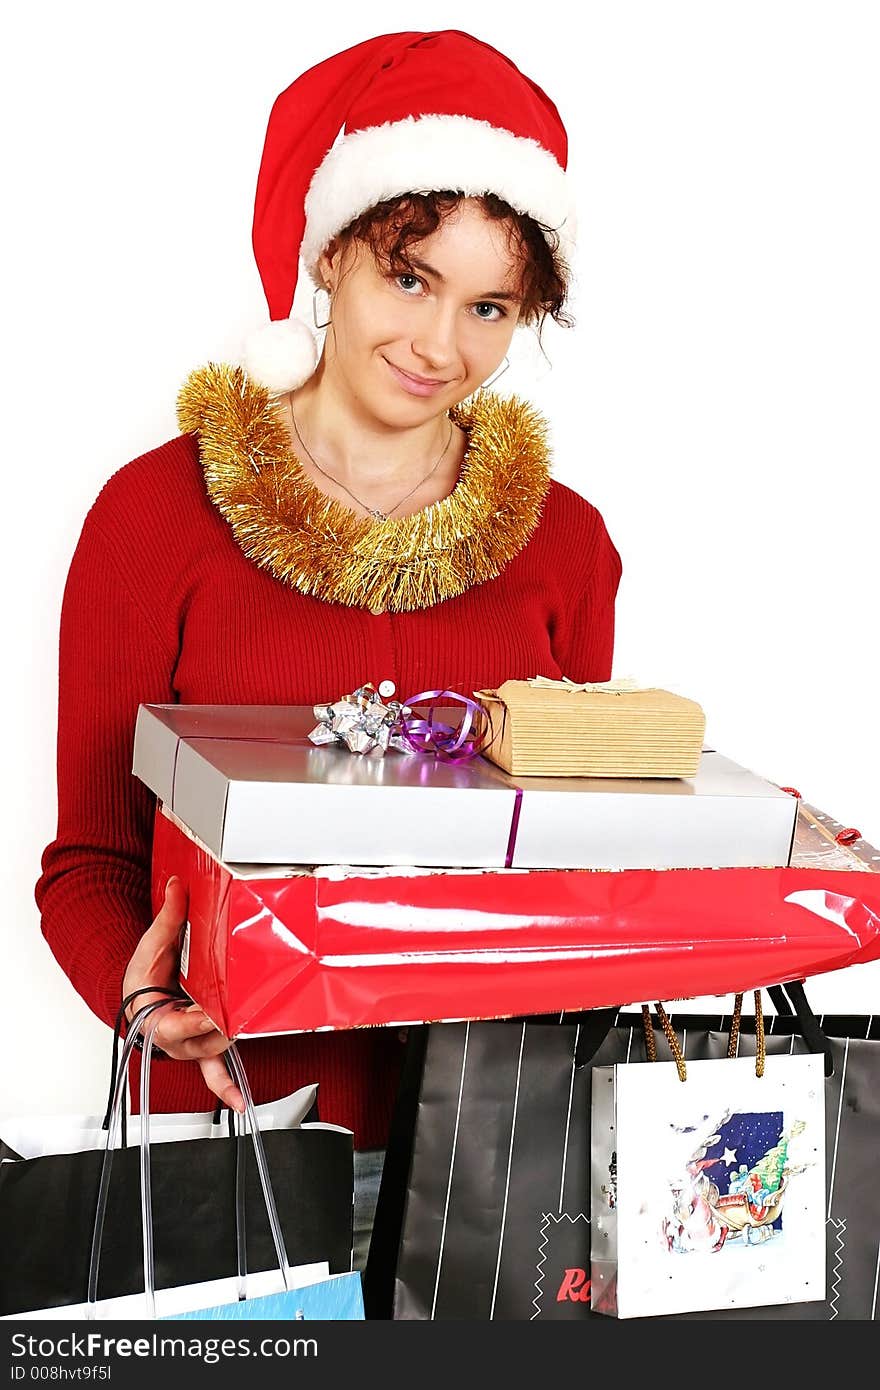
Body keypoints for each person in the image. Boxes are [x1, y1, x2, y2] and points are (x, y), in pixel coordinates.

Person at [35, 29, 622, 1269]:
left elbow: (574, 856)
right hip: (235, 1138)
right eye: (408, 278)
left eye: (489, 306)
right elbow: (89, 861)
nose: (439, 345)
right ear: (330, 255)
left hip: (492, 1156)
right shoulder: (155, 520)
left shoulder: (565, 546)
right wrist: (146, 999)